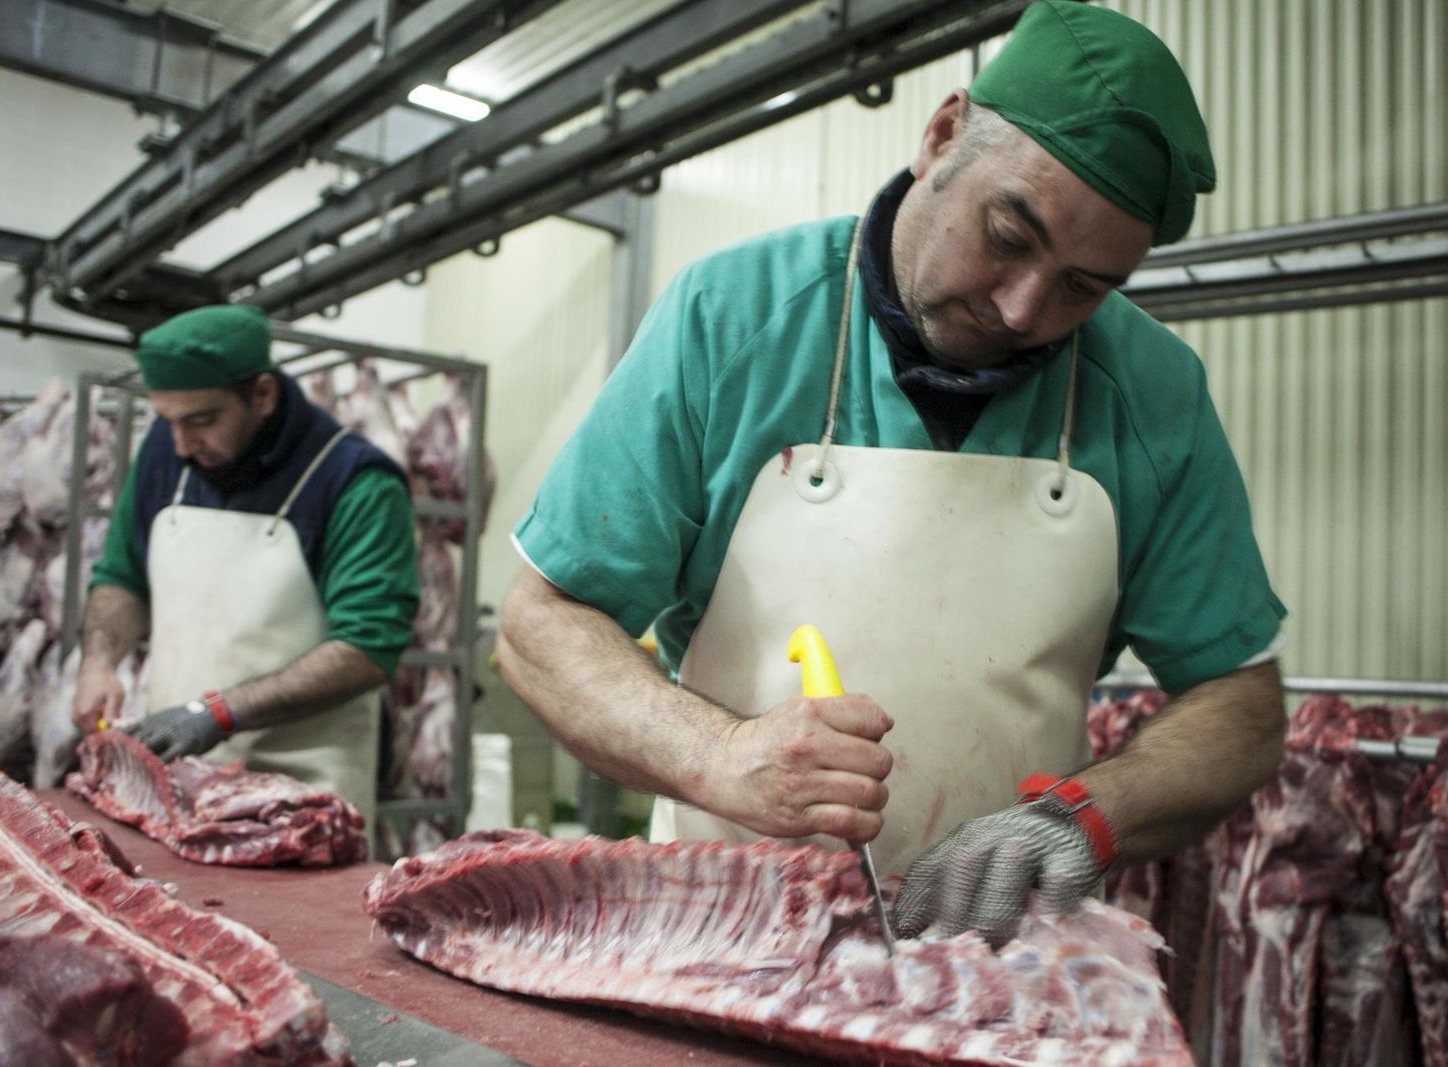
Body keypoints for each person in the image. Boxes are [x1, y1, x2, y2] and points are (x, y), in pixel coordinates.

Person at [496, 0, 1288, 945]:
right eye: (1008, 234)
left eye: (1085, 286)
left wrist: (1087, 814)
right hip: (723, 938)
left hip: (1006, 960)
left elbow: (1241, 704)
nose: (1024, 307)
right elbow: (543, 623)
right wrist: (723, 756)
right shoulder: (734, 316)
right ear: (943, 134)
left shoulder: (1153, 393)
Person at [72, 304, 419, 825]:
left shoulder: (355, 482)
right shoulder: (167, 454)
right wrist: (98, 660)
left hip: (302, 797)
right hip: (179, 772)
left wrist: (218, 712)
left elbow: (366, 649)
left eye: (203, 420)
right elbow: (122, 577)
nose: (183, 445)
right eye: (168, 422)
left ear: (261, 394)